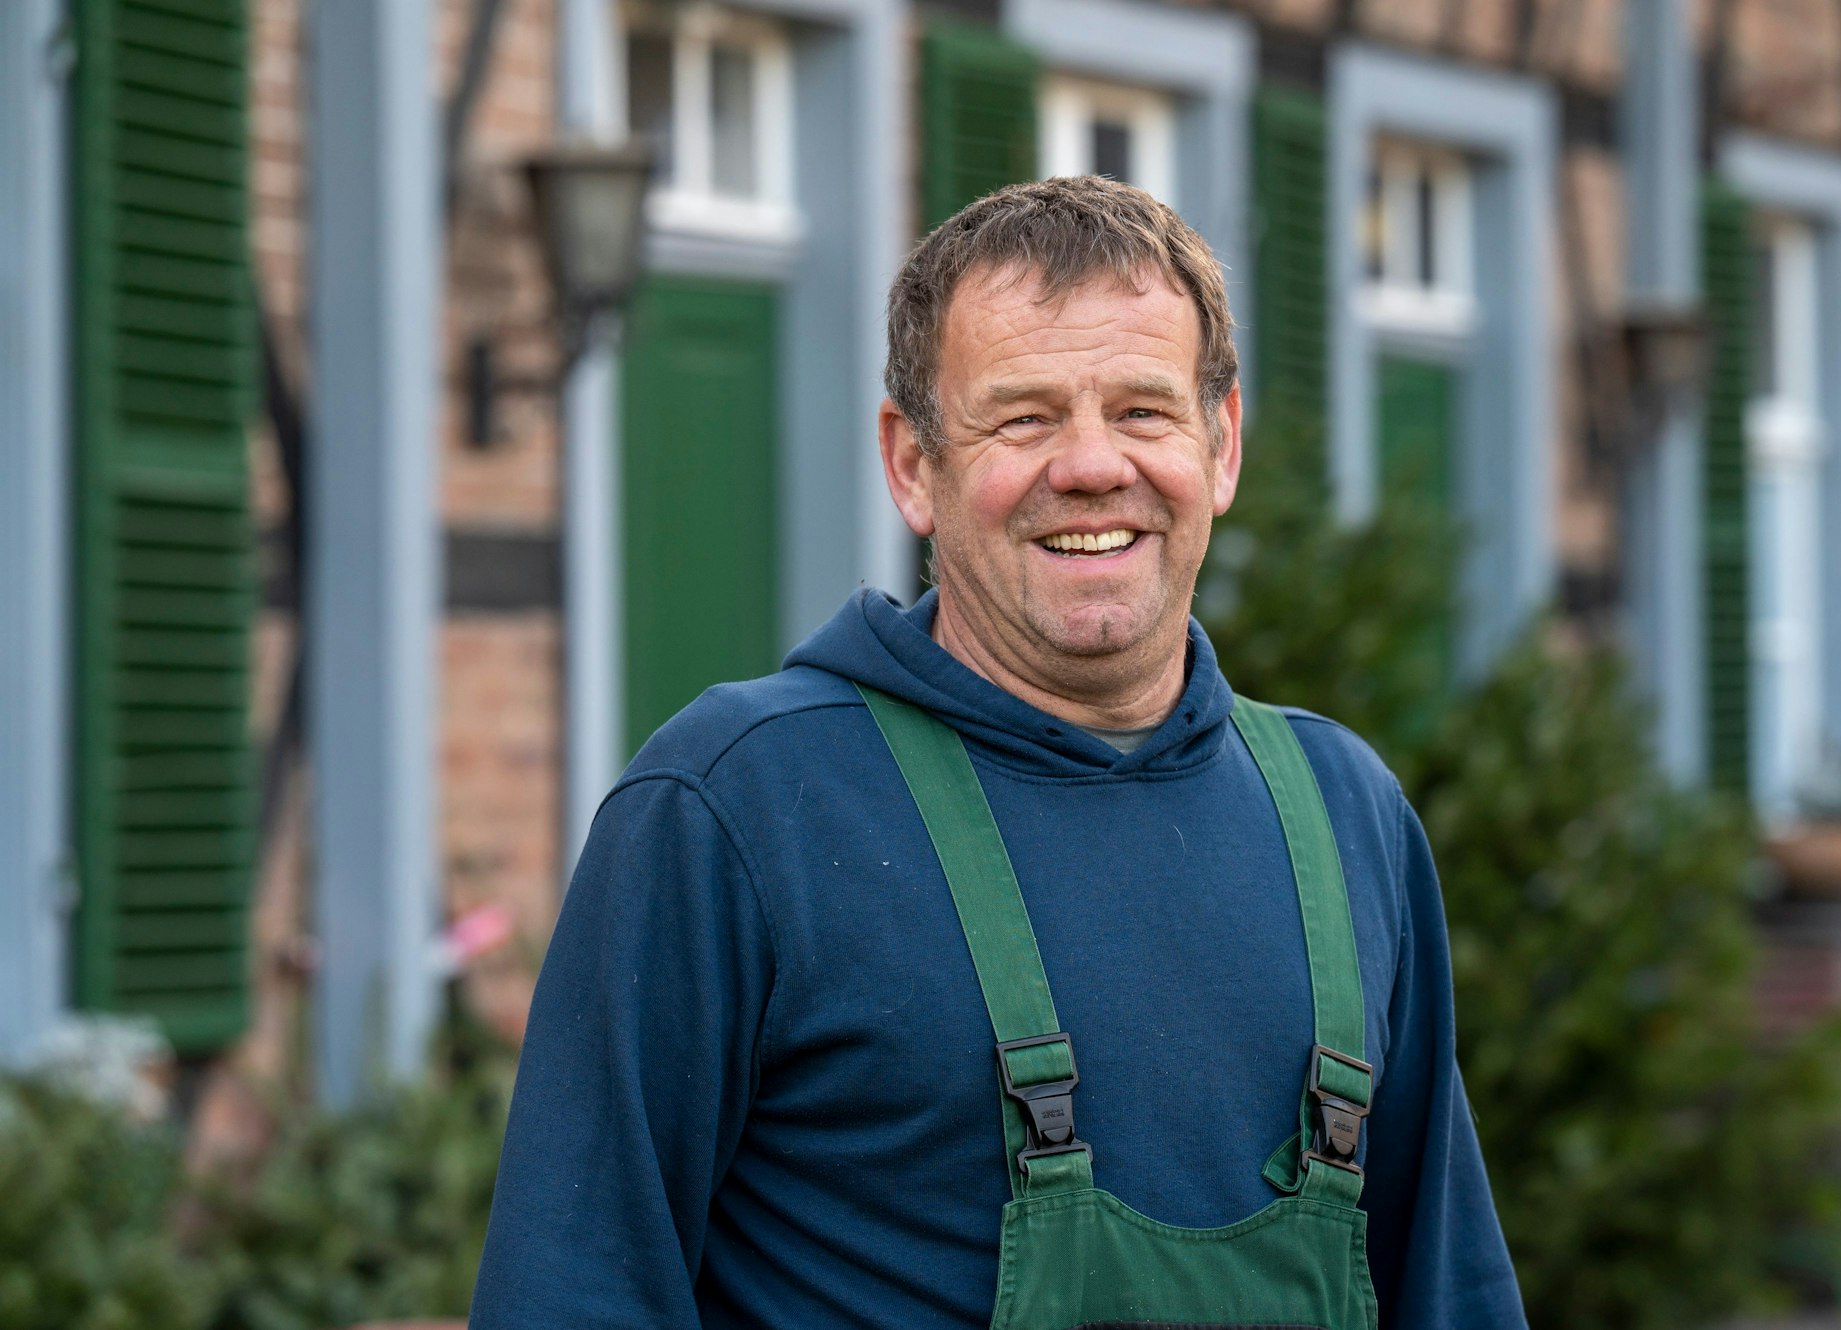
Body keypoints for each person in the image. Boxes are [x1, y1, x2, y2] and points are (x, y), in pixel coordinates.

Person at [469, 177, 1526, 1329]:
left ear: (1219, 446)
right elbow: (573, 1291)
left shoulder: (1344, 814)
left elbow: (1449, 1289)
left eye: (1142, 411)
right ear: (913, 464)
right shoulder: (735, 809)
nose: (1088, 465)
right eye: (1022, 416)